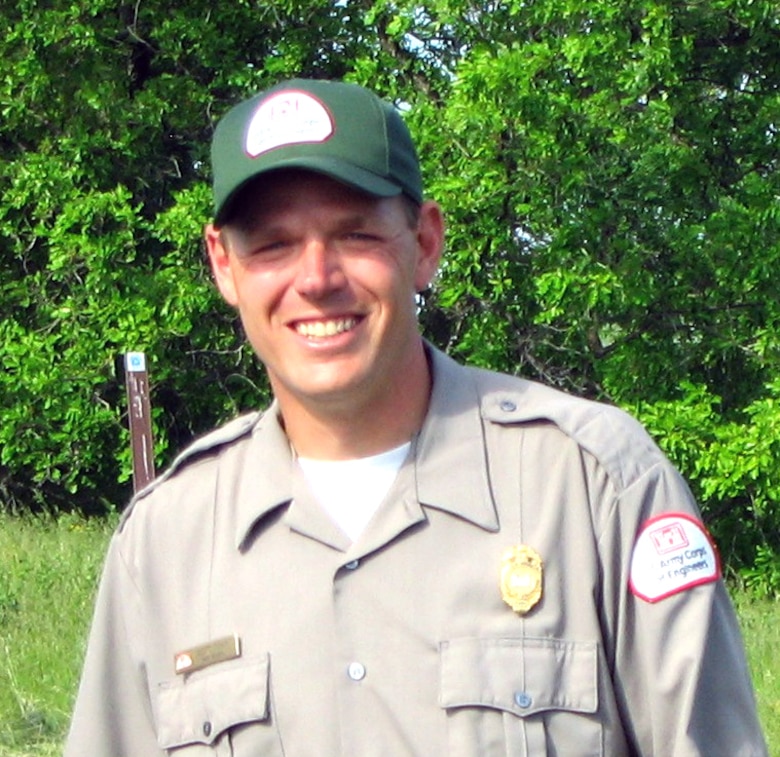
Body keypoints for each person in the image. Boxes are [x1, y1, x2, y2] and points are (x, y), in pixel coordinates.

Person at [65, 78, 768, 756]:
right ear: (223, 264)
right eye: (273, 244)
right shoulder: (164, 545)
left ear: (425, 242)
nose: (316, 277)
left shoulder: (594, 488)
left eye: (355, 235)